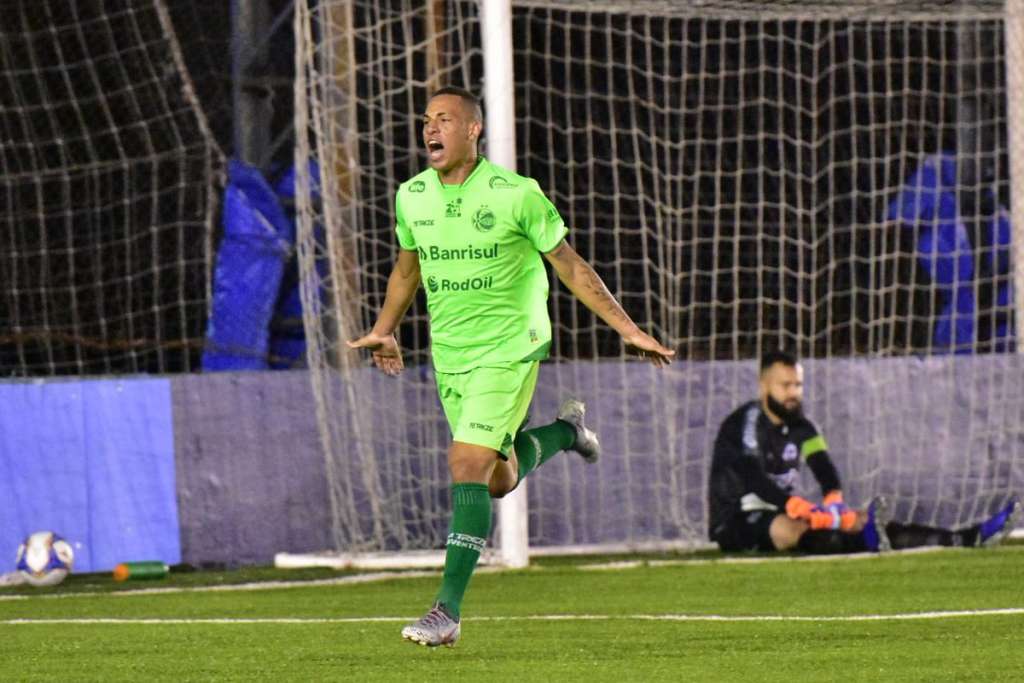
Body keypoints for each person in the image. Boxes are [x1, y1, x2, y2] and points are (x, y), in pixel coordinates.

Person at [348, 85, 675, 647]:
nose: (432, 128)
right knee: (495, 479)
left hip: (510, 346)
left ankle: (445, 612)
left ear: (473, 130)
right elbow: (408, 270)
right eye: (427, 120)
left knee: (466, 460)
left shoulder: (515, 194)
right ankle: (564, 433)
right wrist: (385, 328)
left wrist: (627, 328)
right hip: (451, 354)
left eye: (445, 119)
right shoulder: (412, 196)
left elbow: (570, 266)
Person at [708, 349, 1021, 555]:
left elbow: (824, 467)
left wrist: (833, 501)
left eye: (798, 385)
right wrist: (799, 507)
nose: (793, 394)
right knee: (791, 529)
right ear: (765, 386)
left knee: (855, 520)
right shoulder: (746, 422)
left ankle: (966, 538)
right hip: (736, 518)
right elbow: (752, 476)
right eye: (785, 386)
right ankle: (866, 543)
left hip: (785, 508)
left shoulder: (802, 426)